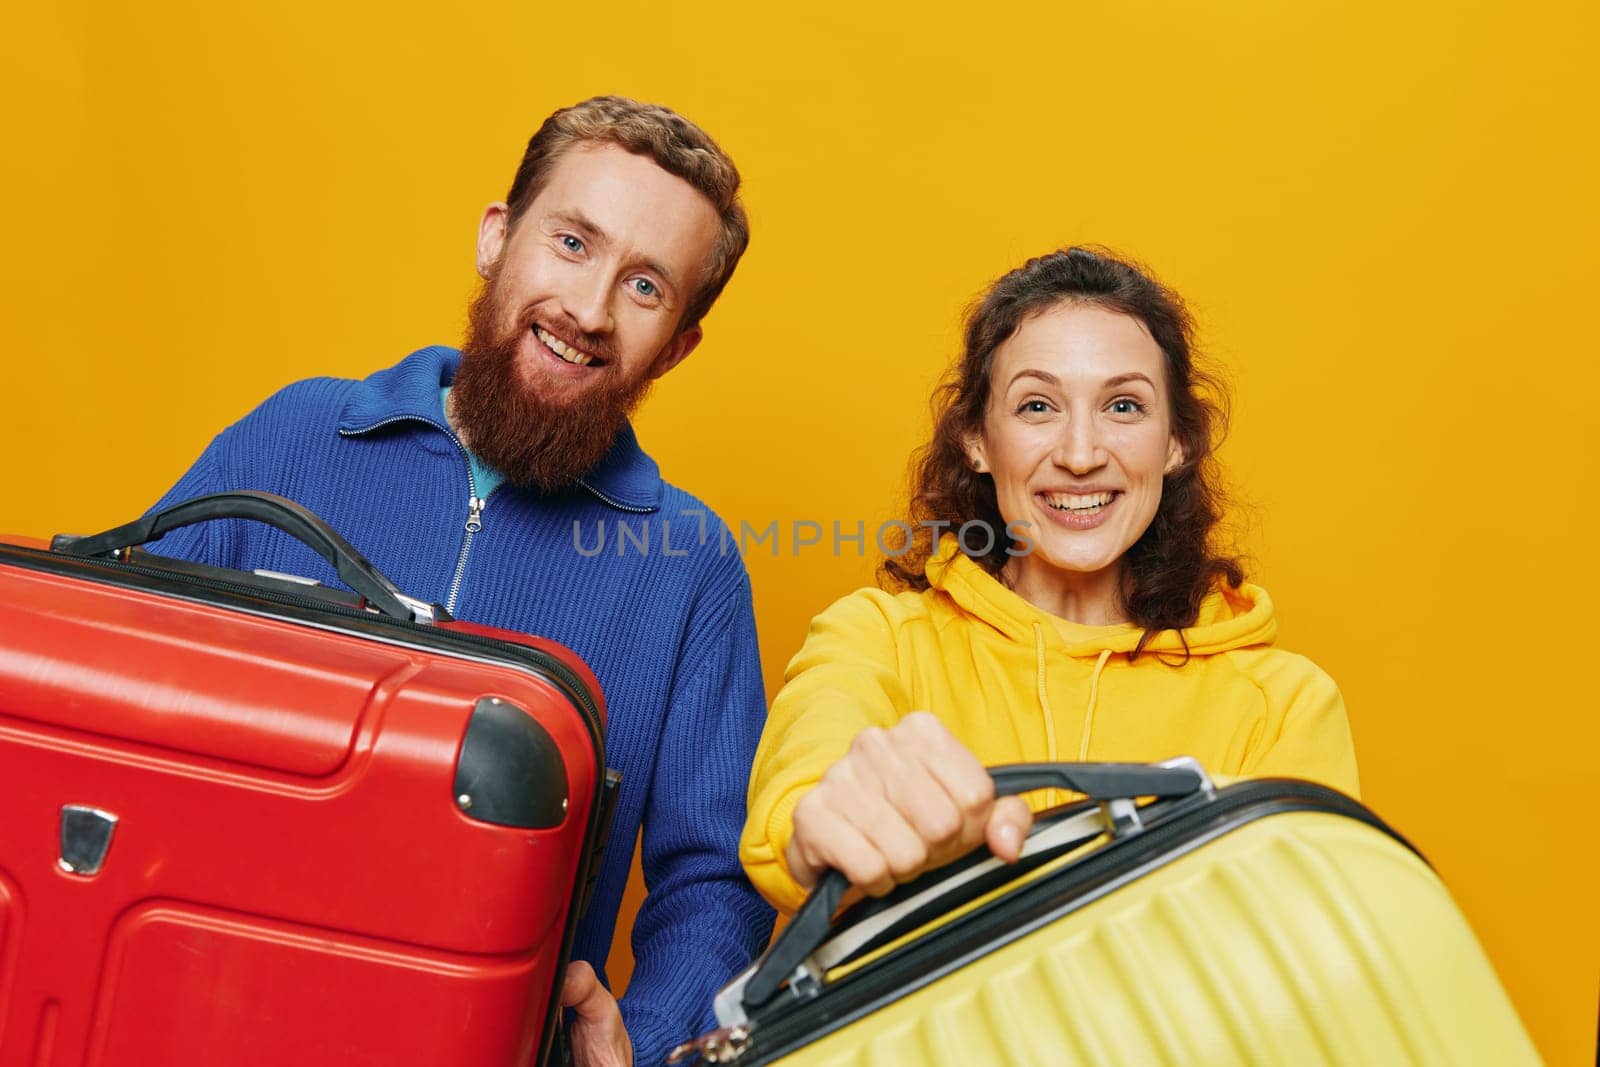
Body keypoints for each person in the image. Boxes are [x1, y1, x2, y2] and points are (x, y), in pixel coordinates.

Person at [145, 96, 775, 1065]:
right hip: (200, 1022)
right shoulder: (293, 436)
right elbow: (117, 694)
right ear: (497, 238)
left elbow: (714, 884)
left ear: (679, 342)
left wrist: (643, 1045)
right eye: (571, 241)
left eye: (646, 287)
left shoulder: (689, 564)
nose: (589, 310)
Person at [740, 246, 1359, 915]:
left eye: (1123, 406)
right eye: (1038, 406)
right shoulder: (876, 640)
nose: (1081, 454)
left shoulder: (1284, 705)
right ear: (977, 438)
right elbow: (802, 789)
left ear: (1177, 441)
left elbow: (1314, 949)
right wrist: (831, 820)